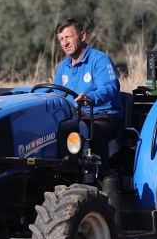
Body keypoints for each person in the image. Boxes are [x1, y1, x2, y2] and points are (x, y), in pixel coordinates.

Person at [53, 18, 123, 176]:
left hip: (102, 115)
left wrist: (90, 98)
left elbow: (110, 88)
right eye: (61, 39)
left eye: (68, 37)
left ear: (82, 36)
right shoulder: (63, 66)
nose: (65, 43)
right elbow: (56, 95)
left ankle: (101, 177)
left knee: (92, 129)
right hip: (74, 117)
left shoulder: (100, 60)